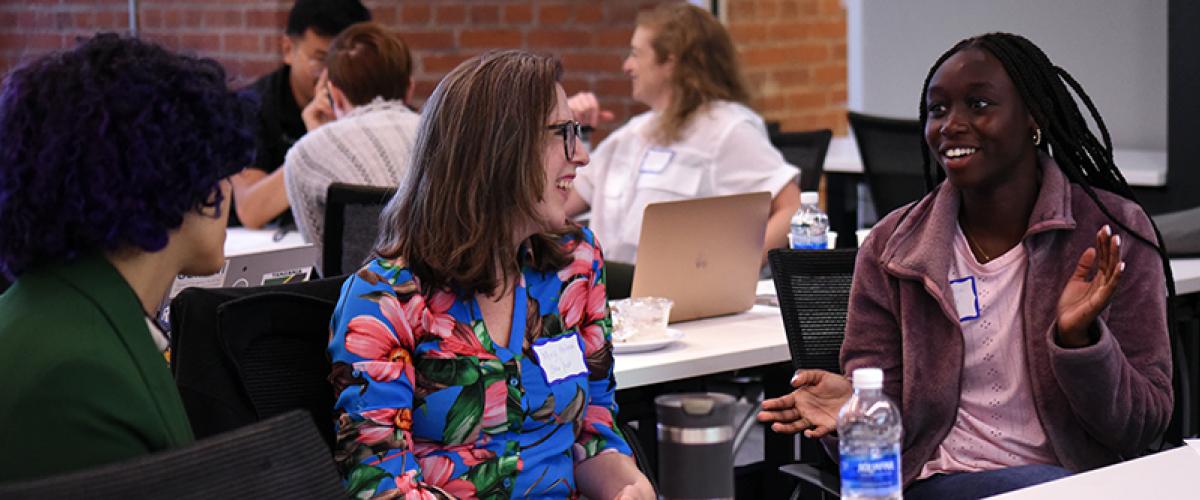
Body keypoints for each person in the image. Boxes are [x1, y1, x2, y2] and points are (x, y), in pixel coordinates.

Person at [757, 32, 1174, 499]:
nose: (951, 125)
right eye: (937, 110)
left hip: (1082, 480)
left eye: (978, 104)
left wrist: (1081, 343)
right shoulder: (894, 248)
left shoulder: (1109, 232)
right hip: (943, 480)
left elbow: (1142, 427)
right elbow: (886, 434)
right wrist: (857, 412)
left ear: (1033, 118)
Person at [327, 50, 654, 499]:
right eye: (563, 134)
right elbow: (380, 483)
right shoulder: (385, 299)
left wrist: (628, 487)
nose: (581, 156)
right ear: (501, 148)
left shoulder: (575, 267)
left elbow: (593, 425)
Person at [0, 34, 255, 480]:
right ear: (170, 177)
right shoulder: (80, 376)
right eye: (215, 165)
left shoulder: (53, 309)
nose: (227, 187)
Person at [565, 2, 800, 265]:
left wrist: (736, 272)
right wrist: (562, 132)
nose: (627, 66)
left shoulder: (726, 129)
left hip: (679, 301)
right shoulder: (631, 135)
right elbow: (558, 204)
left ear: (670, 63)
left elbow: (793, 209)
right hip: (606, 294)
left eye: (636, 54)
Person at [283, 21, 420, 270]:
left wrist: (317, 133)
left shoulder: (303, 155)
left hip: (361, 305)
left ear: (333, 94)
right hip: (448, 302)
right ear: (409, 89)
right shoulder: (446, 135)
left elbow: (326, 270)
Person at [233, 0, 371, 229]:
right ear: (288, 50)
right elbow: (250, 210)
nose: (333, 74)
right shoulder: (253, 105)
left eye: (346, 62)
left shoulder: (371, 99)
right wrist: (315, 144)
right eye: (320, 59)